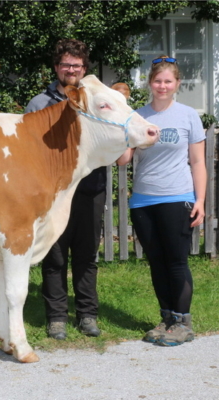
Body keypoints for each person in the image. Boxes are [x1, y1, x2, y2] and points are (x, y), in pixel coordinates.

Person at [117, 55, 206, 346]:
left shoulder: (188, 115)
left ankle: (183, 322)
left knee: (176, 261)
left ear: (177, 83)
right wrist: (124, 131)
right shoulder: (139, 116)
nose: (162, 86)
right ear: (150, 83)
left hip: (177, 196)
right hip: (143, 200)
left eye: (168, 81)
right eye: (157, 80)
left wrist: (200, 200)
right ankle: (167, 319)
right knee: (156, 262)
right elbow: (123, 161)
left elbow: (197, 162)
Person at [25, 38, 105, 340]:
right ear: (56, 68)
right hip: (54, 194)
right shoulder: (38, 104)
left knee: (86, 256)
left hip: (89, 188)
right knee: (54, 257)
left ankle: (87, 315)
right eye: (65, 64)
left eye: (76, 64)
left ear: (84, 68)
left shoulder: (96, 101)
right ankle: (57, 317)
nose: (71, 69)